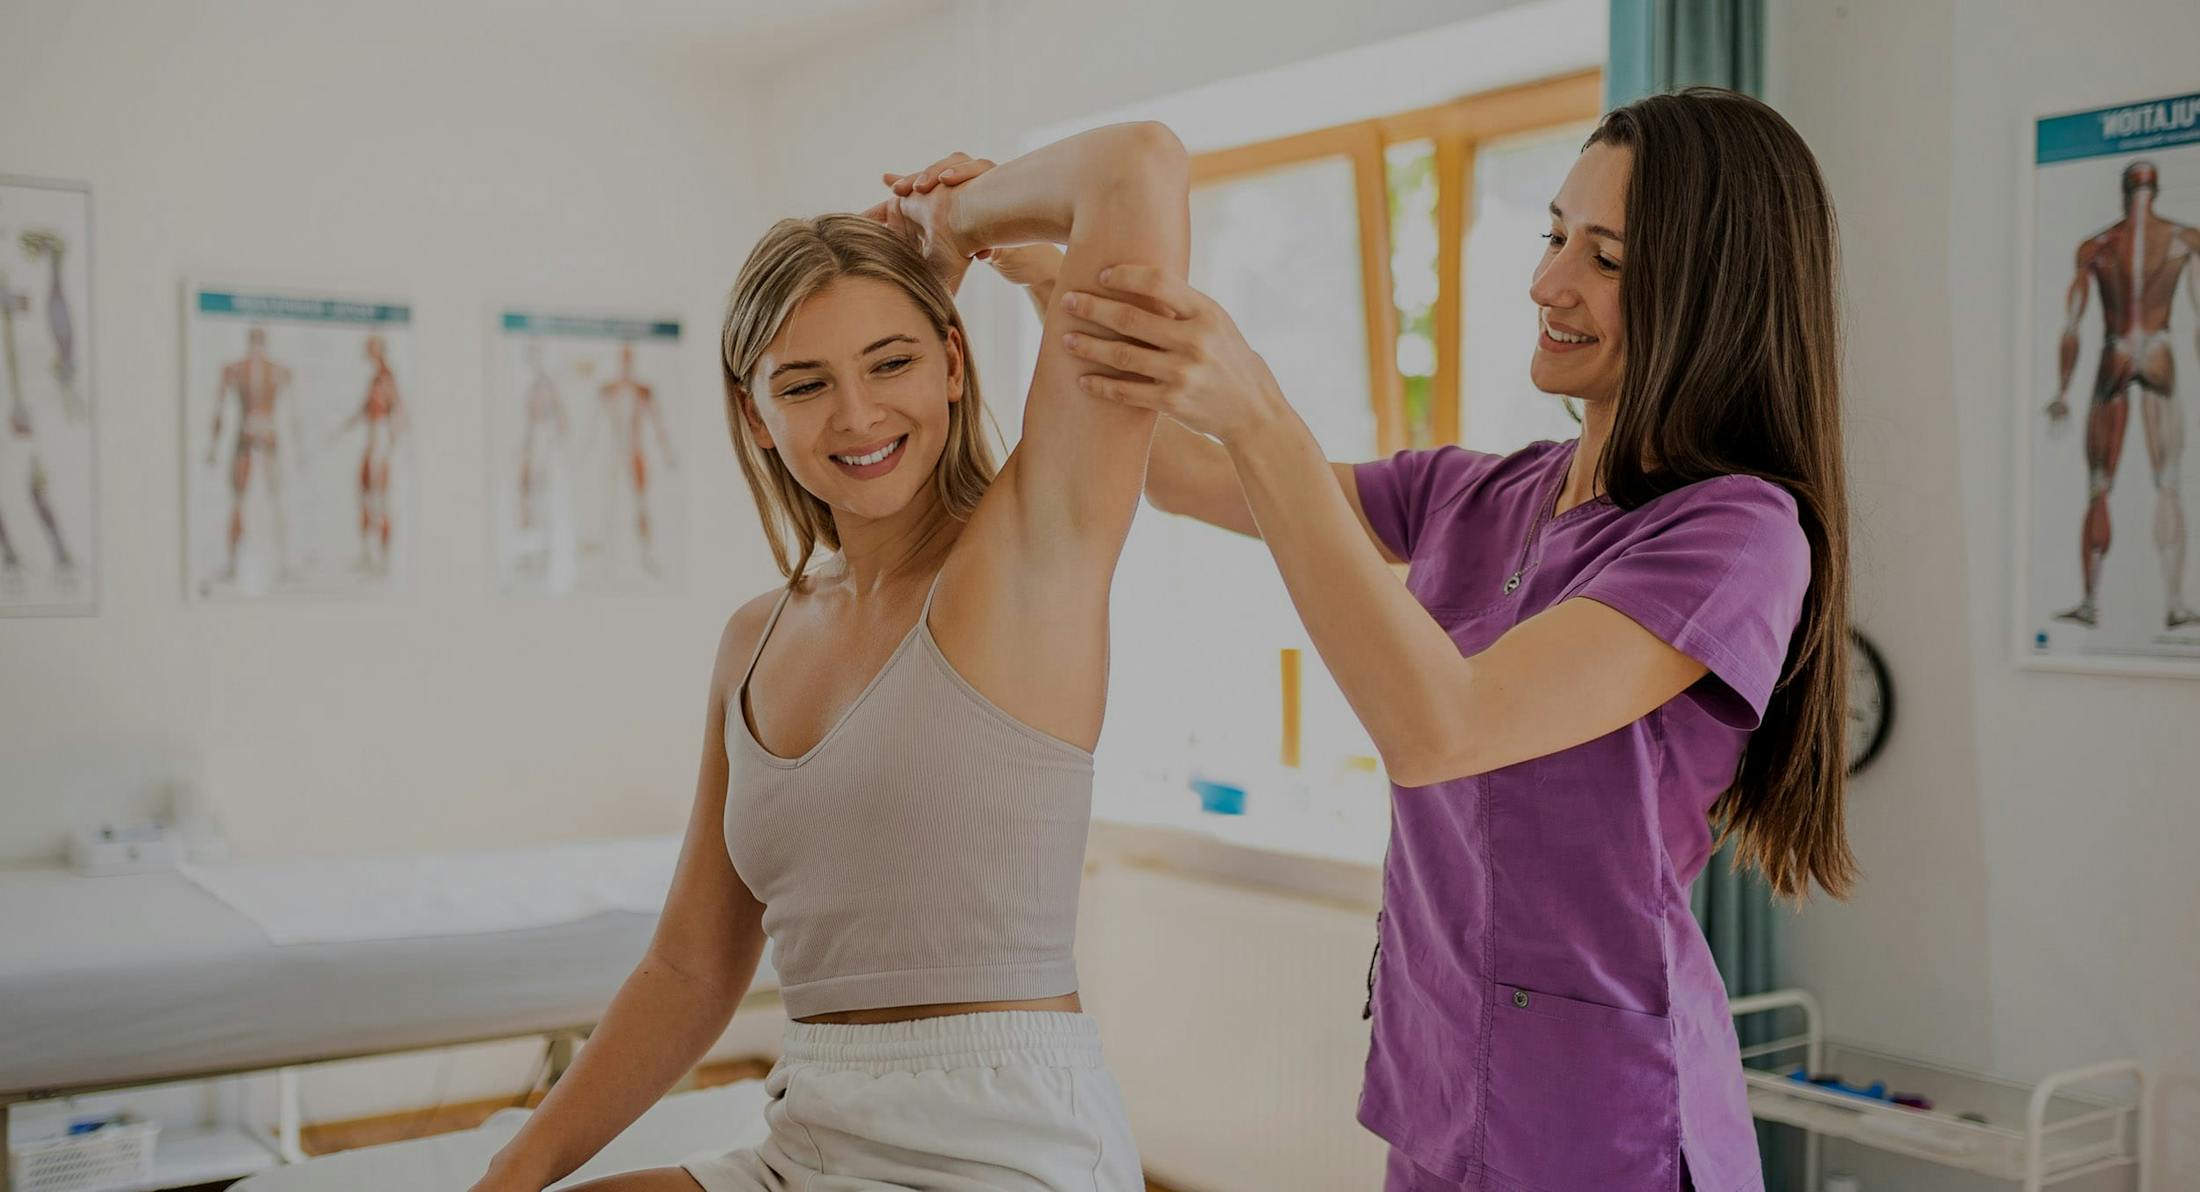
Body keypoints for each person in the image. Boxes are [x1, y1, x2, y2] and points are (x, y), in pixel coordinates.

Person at [917, 86, 1854, 1191]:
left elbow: (1441, 726)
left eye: (1606, 257)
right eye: (1555, 235)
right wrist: (1047, 275)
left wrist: (1261, 416)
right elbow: (1180, 473)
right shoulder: (1480, 492)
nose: (1546, 282)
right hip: (1441, 1082)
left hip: (1608, 1122)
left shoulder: (1736, 531)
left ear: (1713, 292)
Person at [468, 121, 1189, 1192]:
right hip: (808, 1139)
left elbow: (1137, 167)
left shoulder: (1033, 551)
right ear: (754, 416)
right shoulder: (751, 640)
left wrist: (953, 223)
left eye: (890, 361)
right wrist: (505, 1176)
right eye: (802, 384)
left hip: (1006, 1149)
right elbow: (690, 966)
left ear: (951, 363)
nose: (857, 414)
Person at [2045, 159, 2200, 629]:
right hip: (2156, 350)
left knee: (2100, 488)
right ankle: (2173, 604)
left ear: (2124, 191)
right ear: (2154, 190)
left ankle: (2093, 602)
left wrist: (2063, 390)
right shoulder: (2181, 240)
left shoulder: (2098, 246)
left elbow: (2072, 325)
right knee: (2167, 482)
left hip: (2115, 353)